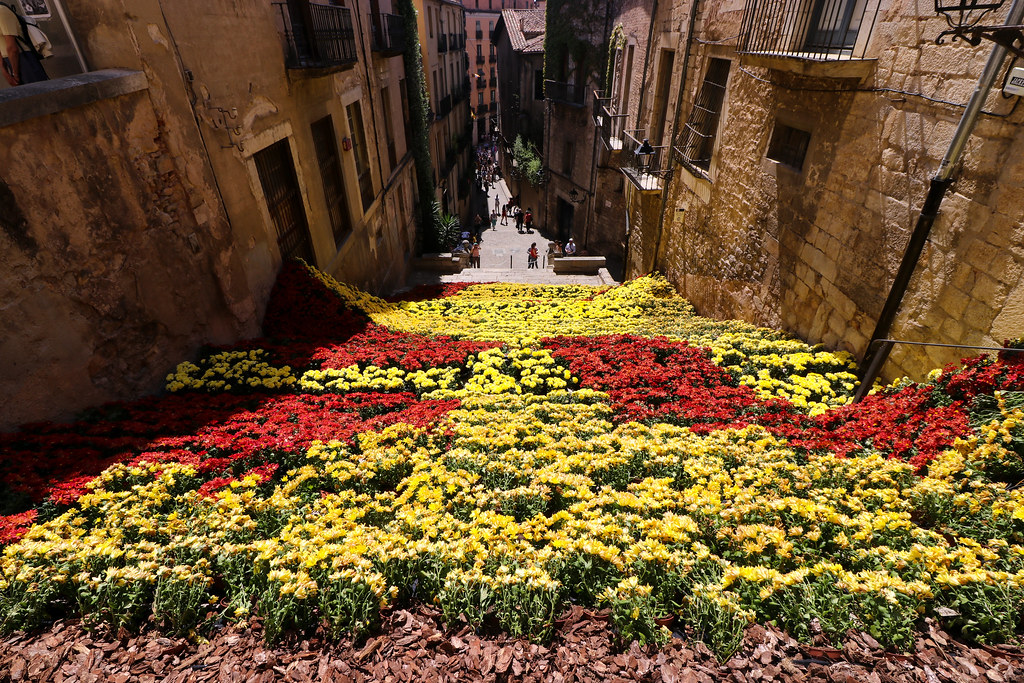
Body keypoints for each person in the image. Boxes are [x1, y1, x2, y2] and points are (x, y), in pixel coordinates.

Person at [0, 2, 47, 87]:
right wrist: (5, 71)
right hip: (10, 60)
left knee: (39, 93)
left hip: (23, 58)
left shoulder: (1, 11)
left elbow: (12, 48)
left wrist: (15, 75)